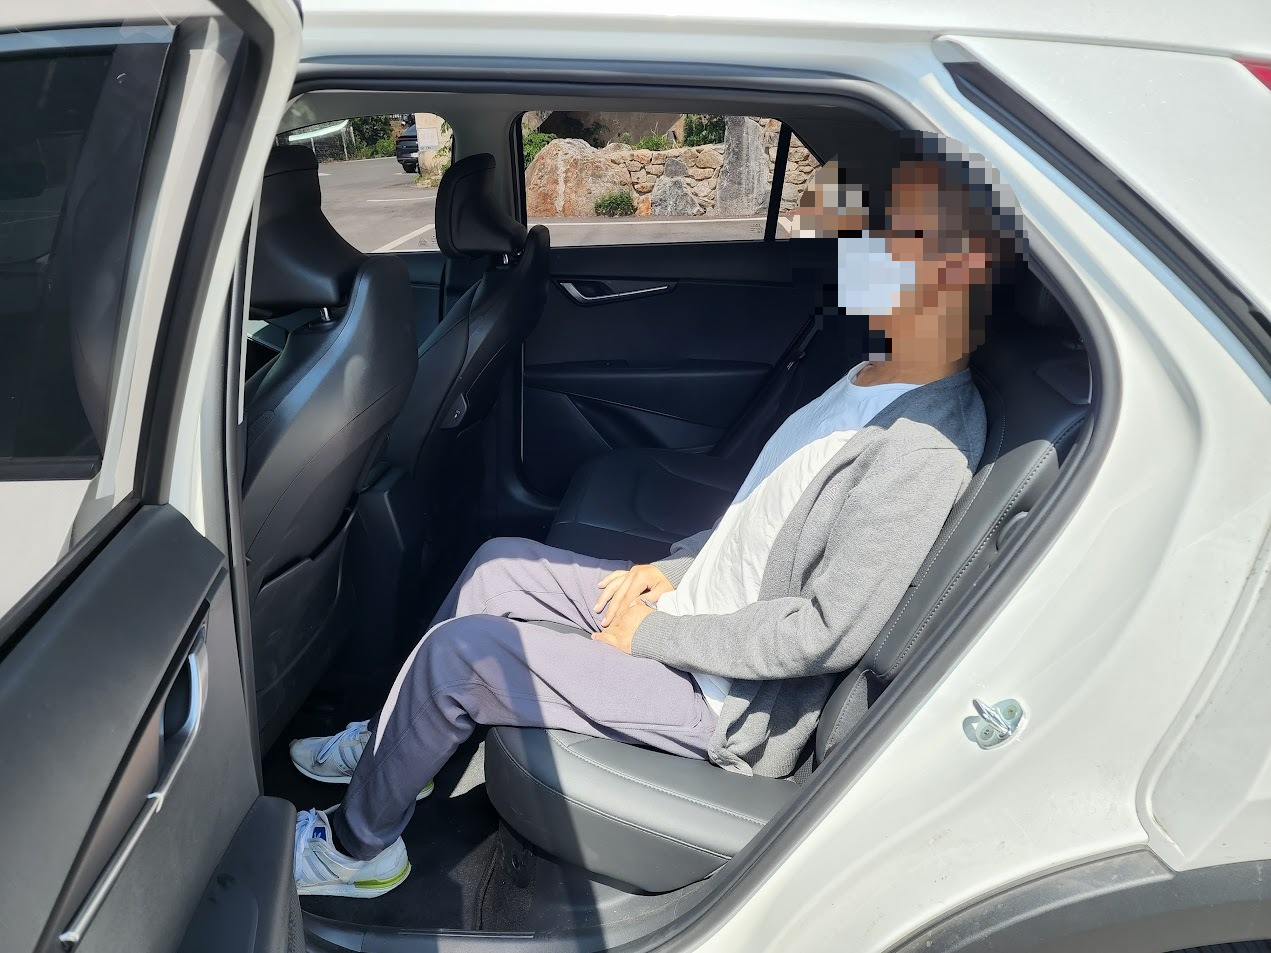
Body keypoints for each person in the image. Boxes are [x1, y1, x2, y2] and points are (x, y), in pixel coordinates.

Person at [289, 139, 1019, 898]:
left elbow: (827, 631)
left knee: (461, 656)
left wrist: (652, 636)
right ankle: (390, 746)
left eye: (890, 235)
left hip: (725, 701)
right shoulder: (872, 372)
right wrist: (672, 571)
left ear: (958, 269)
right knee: (498, 563)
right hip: (697, 610)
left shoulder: (924, 444)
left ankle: (355, 850)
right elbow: (763, 515)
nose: (860, 246)